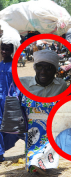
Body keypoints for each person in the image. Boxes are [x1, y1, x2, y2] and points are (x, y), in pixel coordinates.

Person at [0, 24, 23, 162]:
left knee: (15, 127)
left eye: (7, 49)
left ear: (11, 50)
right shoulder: (0, 65)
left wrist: (16, 99)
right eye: (2, 48)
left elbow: (18, 85)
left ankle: (28, 144)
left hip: (10, 101)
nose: (3, 51)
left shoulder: (13, 66)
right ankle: (0, 154)